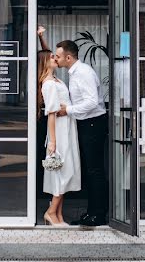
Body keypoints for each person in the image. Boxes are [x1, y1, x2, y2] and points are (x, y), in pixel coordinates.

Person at [55, 39, 108, 226]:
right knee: (90, 170)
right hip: (87, 124)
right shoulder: (76, 72)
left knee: (94, 170)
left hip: (93, 124)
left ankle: (98, 214)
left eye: (59, 56)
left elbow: (92, 102)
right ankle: (92, 212)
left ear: (68, 57)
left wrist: (67, 110)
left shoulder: (83, 73)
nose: (56, 59)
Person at [37, 28, 80, 227]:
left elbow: (45, 53)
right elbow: (51, 113)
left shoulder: (54, 79)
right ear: (47, 62)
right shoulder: (48, 83)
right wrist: (53, 141)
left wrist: (41, 37)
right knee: (62, 172)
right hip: (60, 132)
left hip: (66, 128)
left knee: (65, 171)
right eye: (52, 57)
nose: (55, 57)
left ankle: (58, 216)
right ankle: (51, 212)